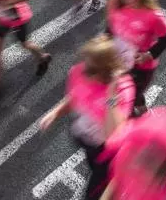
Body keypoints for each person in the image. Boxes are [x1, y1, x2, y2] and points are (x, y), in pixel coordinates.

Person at [39, 35, 134, 200]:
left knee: (95, 192)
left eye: (90, 69)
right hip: (87, 140)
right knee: (94, 167)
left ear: (106, 71)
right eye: (85, 63)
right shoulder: (80, 71)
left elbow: (114, 134)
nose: (84, 71)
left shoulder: (123, 89)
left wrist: (111, 94)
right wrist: (55, 113)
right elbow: (76, 96)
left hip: (107, 151)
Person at [106, 0, 166, 116]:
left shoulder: (153, 15)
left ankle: (138, 116)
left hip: (141, 67)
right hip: (119, 62)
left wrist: (148, 55)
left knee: (131, 94)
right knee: (128, 93)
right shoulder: (117, 7)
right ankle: (142, 111)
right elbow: (110, 30)